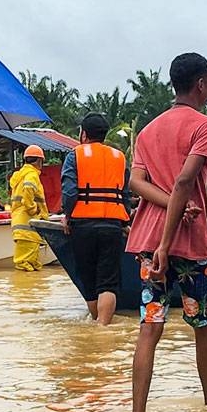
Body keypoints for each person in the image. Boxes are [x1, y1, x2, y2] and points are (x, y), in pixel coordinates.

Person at [126, 52, 207, 412]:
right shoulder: (206, 126)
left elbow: (136, 182)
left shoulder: (149, 130)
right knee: (205, 330)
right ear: (201, 84)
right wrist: (178, 211)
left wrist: (167, 207)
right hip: (190, 243)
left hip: (149, 242)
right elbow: (185, 180)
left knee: (149, 327)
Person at [61, 112, 129, 324]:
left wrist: (67, 216)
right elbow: (124, 194)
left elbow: (70, 192)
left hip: (83, 225)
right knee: (108, 281)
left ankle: (96, 326)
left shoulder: (75, 155)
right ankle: (103, 328)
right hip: (113, 225)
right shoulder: (119, 157)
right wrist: (125, 222)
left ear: (83, 134)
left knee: (88, 279)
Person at [9, 144, 49, 271]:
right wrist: (33, 209)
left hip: (24, 226)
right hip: (28, 225)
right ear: (39, 160)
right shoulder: (31, 174)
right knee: (24, 265)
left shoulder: (20, 175)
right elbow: (28, 190)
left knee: (33, 265)